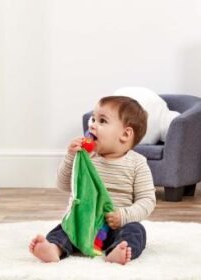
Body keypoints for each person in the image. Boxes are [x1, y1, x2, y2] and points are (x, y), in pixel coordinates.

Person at [29, 96, 156, 265]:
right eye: (93, 119)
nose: (92, 125)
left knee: (136, 231)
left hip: (115, 226)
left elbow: (147, 201)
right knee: (65, 228)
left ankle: (118, 250)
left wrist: (123, 216)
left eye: (102, 121)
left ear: (125, 134)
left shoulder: (137, 163)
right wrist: (70, 157)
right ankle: (54, 248)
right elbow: (63, 185)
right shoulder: (87, 158)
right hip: (84, 222)